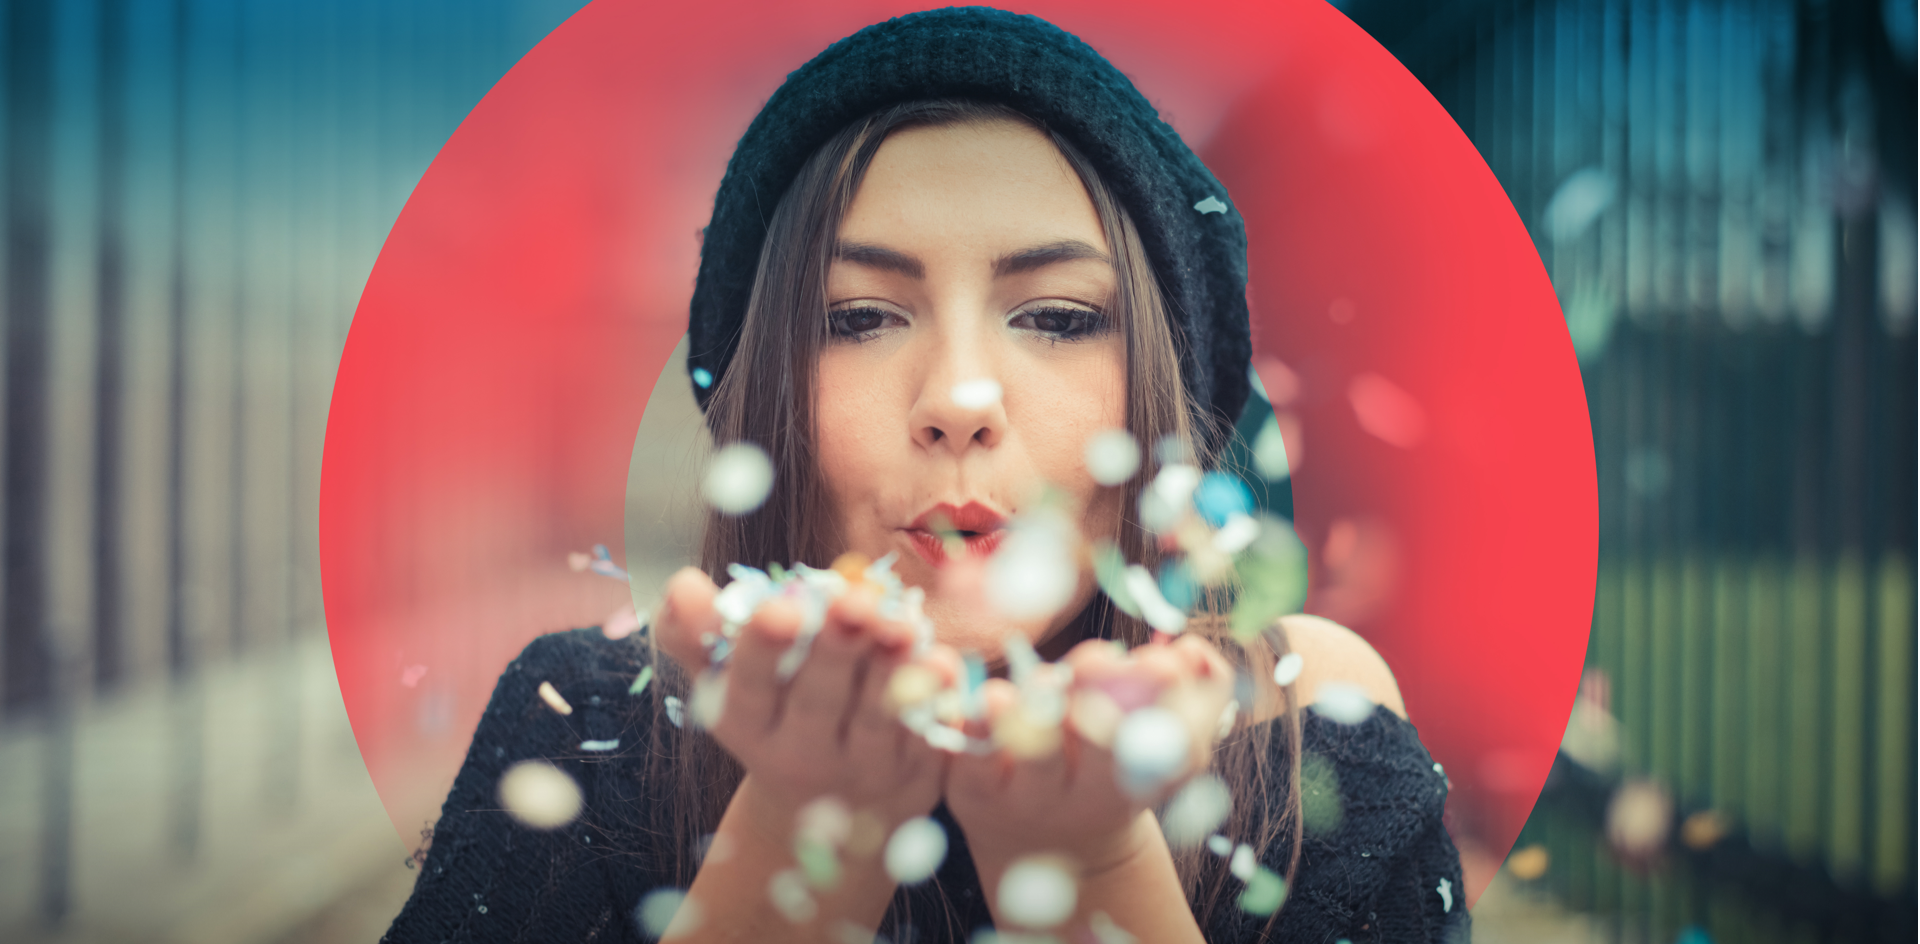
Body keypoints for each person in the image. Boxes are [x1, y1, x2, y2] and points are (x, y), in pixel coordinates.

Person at [383, 8, 1466, 943]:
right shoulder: (579, 726)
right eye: (859, 317)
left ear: (1165, 402)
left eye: (1057, 317)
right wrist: (797, 835)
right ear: (766, 400)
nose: (959, 397)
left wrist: (1090, 871)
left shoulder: (1301, 733)